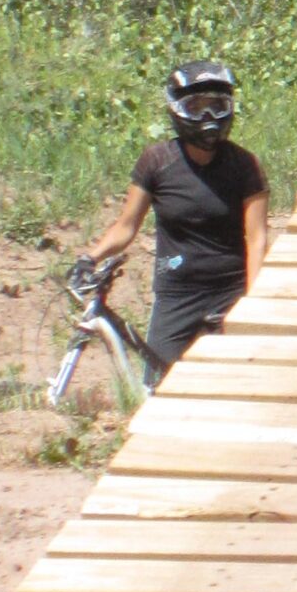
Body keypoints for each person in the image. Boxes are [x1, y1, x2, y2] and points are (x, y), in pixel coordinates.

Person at [77, 61, 268, 387]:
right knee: (156, 390)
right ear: (176, 111)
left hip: (230, 292)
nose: (208, 118)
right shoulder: (156, 162)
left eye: (217, 107)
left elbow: (257, 239)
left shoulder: (244, 166)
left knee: (239, 387)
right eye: (197, 108)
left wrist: (256, 302)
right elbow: (126, 226)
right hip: (176, 296)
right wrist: (89, 258)